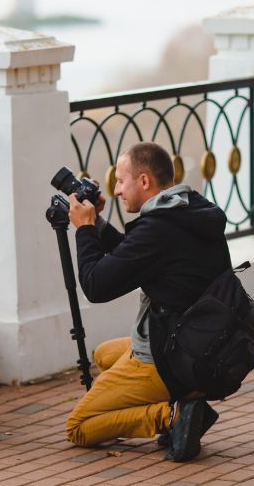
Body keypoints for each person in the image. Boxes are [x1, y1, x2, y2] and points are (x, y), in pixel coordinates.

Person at [64, 142, 232, 462]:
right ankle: (186, 400)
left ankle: (171, 416)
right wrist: (98, 223)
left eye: (121, 180)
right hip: (204, 345)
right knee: (103, 354)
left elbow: (96, 286)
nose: (116, 191)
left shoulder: (158, 230)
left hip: (168, 355)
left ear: (143, 182)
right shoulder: (188, 209)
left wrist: (84, 230)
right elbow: (134, 255)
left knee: (79, 426)